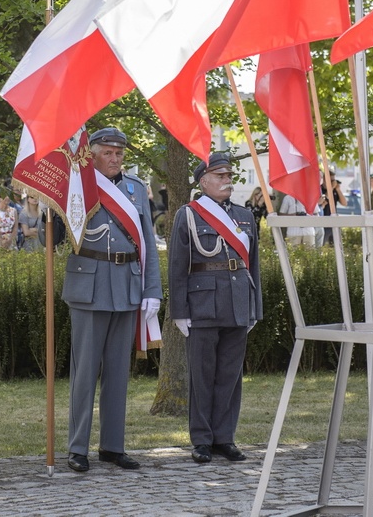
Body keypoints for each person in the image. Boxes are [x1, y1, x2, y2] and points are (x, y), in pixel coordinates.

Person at [63, 127, 162, 473]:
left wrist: (152, 290)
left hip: (127, 285)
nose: (115, 158)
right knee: (85, 372)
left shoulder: (135, 189)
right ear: (93, 153)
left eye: (119, 153)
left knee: (119, 374)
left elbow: (147, 242)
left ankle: (112, 446)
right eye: (107, 152)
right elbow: (62, 229)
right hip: (89, 286)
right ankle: (77, 447)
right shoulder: (78, 182)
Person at [168, 153, 262, 464]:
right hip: (203, 303)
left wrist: (254, 307)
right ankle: (202, 439)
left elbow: (254, 267)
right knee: (203, 374)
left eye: (228, 176)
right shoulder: (189, 215)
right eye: (220, 176)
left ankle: (225, 437)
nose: (227, 181)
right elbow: (178, 267)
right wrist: (179, 311)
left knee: (230, 376)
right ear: (203, 181)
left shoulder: (244, 216)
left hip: (237, 301)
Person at [320, 167, 348, 246]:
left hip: (333, 222)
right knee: (322, 245)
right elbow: (323, 198)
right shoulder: (320, 189)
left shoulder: (334, 190)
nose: (333, 182)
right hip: (323, 222)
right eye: (331, 180)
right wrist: (331, 187)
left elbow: (344, 203)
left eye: (333, 180)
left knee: (335, 246)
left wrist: (338, 190)